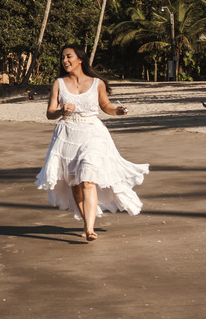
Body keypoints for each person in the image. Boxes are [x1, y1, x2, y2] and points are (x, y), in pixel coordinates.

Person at [35, 43, 149, 241]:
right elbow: (49, 113)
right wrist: (62, 111)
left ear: (80, 59)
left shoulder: (97, 83)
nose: (65, 61)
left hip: (92, 132)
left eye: (68, 56)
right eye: (62, 57)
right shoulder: (59, 83)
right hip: (67, 135)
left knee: (88, 178)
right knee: (75, 183)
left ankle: (89, 228)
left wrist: (118, 111)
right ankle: (86, 219)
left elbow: (106, 106)